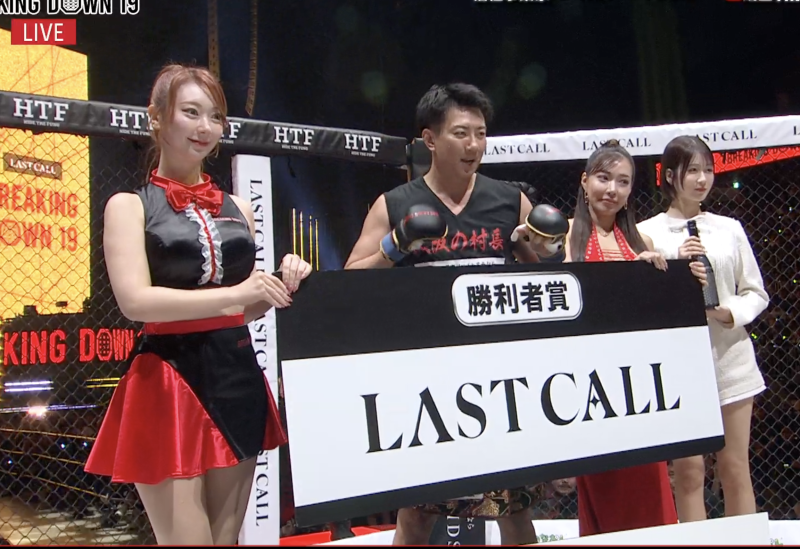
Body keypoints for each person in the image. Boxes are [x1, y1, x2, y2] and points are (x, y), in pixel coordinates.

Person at [84, 64, 312, 545]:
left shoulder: (239, 208)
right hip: (168, 382)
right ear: (156, 117)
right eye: (191, 112)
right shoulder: (129, 205)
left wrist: (282, 284)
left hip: (237, 378)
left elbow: (243, 309)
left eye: (215, 116)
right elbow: (135, 302)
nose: (205, 127)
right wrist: (240, 294)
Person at [345, 83, 561, 546]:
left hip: (499, 382)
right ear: (429, 139)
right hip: (427, 383)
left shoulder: (509, 200)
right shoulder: (395, 204)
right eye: (461, 133)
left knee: (513, 511)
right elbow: (349, 281)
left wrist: (542, 249)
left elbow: (544, 274)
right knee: (417, 515)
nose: (473, 145)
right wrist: (394, 246)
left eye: (480, 134)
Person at [637, 135, 769, 522]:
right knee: (689, 473)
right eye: (692, 170)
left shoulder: (729, 228)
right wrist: (677, 268)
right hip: (680, 366)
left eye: (708, 170)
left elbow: (755, 292)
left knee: (735, 467)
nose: (702, 179)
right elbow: (645, 301)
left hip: (731, 359)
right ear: (670, 175)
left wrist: (728, 313)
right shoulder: (647, 232)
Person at [564, 139, 689, 536]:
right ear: (585, 181)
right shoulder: (566, 237)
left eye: (623, 181)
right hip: (588, 385)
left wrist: (654, 277)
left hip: (638, 388)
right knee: (604, 490)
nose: (612, 190)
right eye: (604, 178)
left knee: (648, 489)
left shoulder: (642, 244)